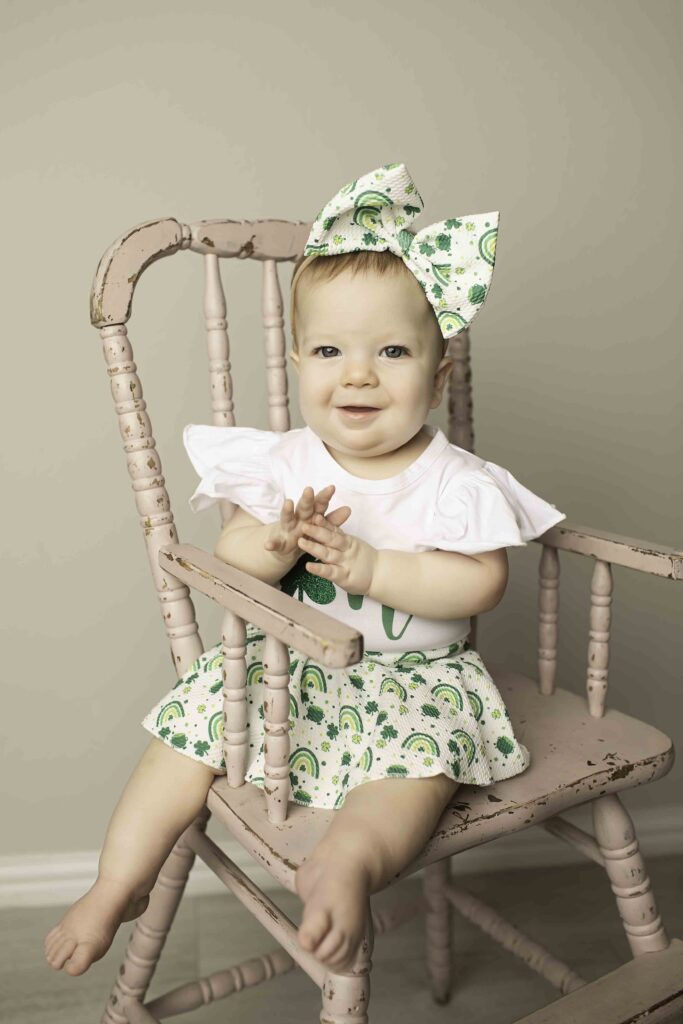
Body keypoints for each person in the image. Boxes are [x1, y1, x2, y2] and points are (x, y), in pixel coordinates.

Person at [44, 162, 565, 977]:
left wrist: (371, 566)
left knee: (416, 770)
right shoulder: (286, 464)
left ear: (435, 379)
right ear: (297, 364)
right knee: (183, 736)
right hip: (282, 676)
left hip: (415, 680)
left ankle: (347, 861)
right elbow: (231, 562)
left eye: (391, 351)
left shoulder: (452, 478)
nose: (357, 373)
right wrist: (277, 544)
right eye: (330, 350)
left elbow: (478, 585)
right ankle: (117, 883)